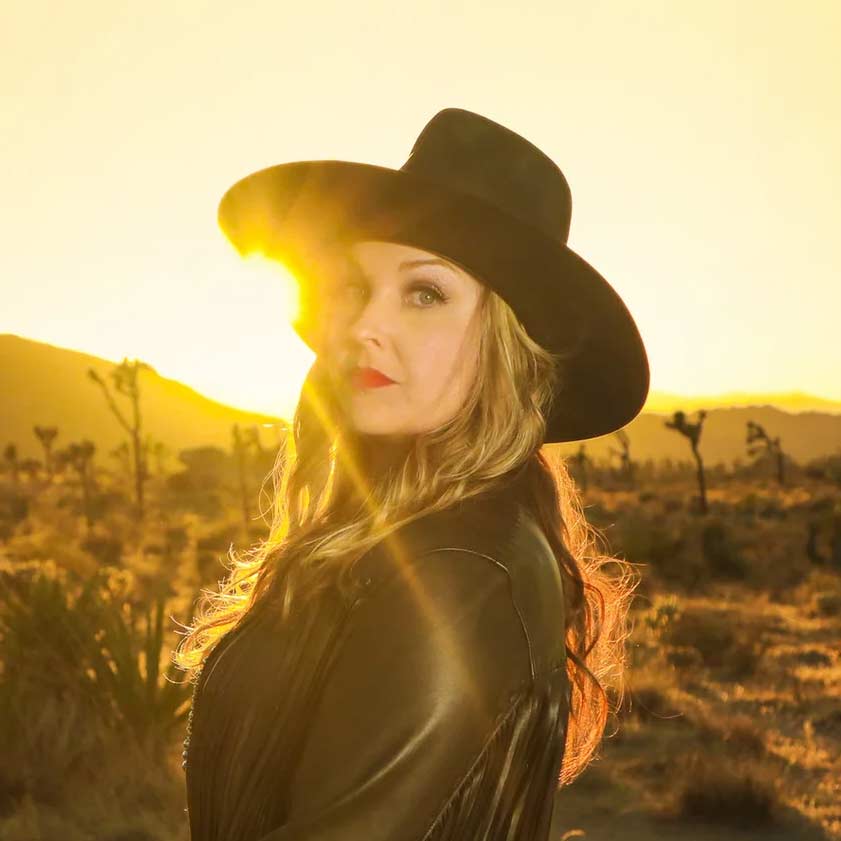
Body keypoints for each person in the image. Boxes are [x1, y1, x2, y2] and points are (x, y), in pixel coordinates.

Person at [174, 107, 650, 840]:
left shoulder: (458, 575)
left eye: (424, 293)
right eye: (353, 286)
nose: (364, 323)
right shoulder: (398, 536)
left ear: (505, 343)